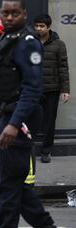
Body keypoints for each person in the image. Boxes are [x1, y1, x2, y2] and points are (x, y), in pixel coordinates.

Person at [0, 0, 56, 228]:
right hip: (9, 114)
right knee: (15, 184)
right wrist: (0, 117)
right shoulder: (7, 38)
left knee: (9, 186)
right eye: (5, 12)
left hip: (22, 118)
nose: (9, 17)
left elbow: (31, 89)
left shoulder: (28, 43)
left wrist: (14, 124)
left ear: (24, 14)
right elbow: (7, 85)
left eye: (14, 13)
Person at [34, 14, 70, 163]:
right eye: (36, 26)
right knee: (32, 119)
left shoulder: (58, 44)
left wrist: (65, 90)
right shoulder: (31, 43)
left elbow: (63, 67)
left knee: (49, 121)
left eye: (42, 26)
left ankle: (46, 151)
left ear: (49, 27)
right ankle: (30, 148)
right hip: (33, 89)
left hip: (52, 89)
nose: (38, 29)